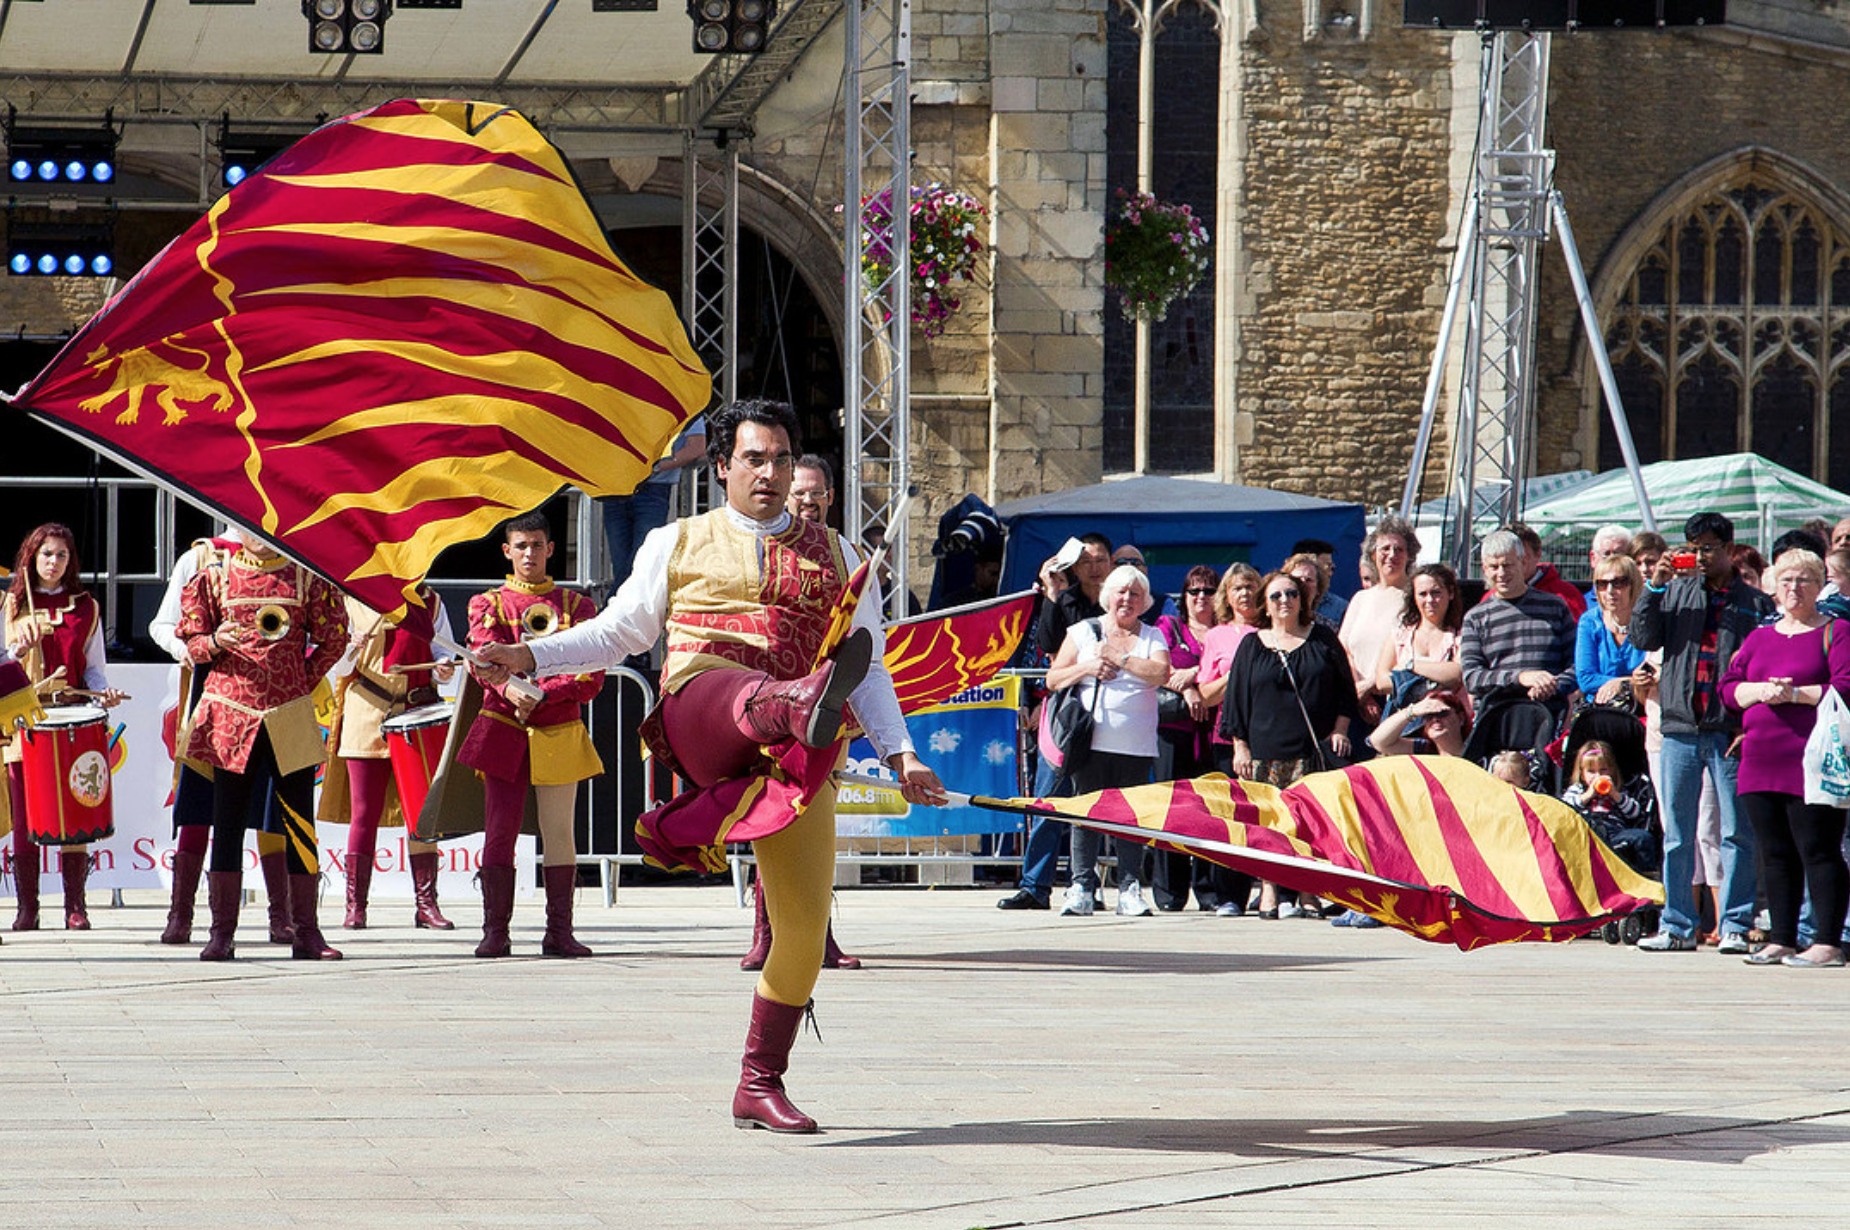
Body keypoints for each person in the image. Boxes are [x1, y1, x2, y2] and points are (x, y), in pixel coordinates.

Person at [474, 400, 944, 1134]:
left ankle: (759, 1083)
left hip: (800, 748)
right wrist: (531, 653)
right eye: (754, 458)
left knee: (801, 931)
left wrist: (902, 755)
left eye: (782, 458)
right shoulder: (676, 539)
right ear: (721, 466)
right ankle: (786, 709)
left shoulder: (843, 555)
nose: (770, 472)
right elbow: (619, 632)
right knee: (755, 693)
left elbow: (872, 667)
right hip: (705, 709)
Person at [176, 528, 348, 961]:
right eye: (251, 529)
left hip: (289, 714)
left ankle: (306, 932)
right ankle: (221, 934)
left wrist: (298, 680)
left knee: (299, 825)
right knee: (227, 822)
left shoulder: (306, 580)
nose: (261, 538)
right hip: (230, 716)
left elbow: (334, 639)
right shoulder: (214, 577)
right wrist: (215, 642)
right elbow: (191, 642)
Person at [459, 513, 604, 959]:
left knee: (559, 831)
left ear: (550, 549)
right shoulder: (486, 603)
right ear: (507, 551)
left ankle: (559, 932)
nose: (529, 554)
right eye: (521, 546)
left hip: (558, 726)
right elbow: (482, 662)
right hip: (505, 727)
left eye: (537, 545)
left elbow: (591, 673)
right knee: (499, 831)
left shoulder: (579, 607)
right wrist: (508, 690)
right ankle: (495, 931)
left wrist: (540, 694)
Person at [1630, 511, 1775, 954]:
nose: (1700, 555)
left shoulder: (1754, 603)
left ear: (1730, 551)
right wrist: (1654, 585)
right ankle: (1677, 926)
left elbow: (1766, 668)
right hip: (1679, 727)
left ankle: (1733, 924)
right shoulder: (1674, 591)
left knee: (1736, 833)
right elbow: (1640, 635)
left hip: (1729, 730)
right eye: (1693, 547)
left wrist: (1750, 727)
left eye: (1709, 547)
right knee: (1678, 833)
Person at [150, 531, 297, 947]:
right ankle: (181, 914)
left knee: (272, 809)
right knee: (199, 804)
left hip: (272, 698)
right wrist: (194, 649)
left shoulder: (288, 560)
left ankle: (281, 916)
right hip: (209, 695)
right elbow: (162, 625)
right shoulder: (201, 558)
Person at [1720, 549, 1850, 967]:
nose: (1795, 589)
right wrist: (1761, 691)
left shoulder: (1837, 632)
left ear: (1820, 586)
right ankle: (1782, 938)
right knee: (1774, 852)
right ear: (1774, 586)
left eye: (1805, 580)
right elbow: (1729, 688)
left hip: (1814, 761)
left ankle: (1827, 941)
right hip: (1761, 759)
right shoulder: (1760, 636)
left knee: (1818, 848)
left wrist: (1793, 693)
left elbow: (1845, 687)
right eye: (1787, 580)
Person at [3, 524, 127, 931]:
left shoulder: (85, 607)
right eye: (46, 555)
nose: (53, 562)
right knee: (26, 817)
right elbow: (3, 662)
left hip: (72, 719)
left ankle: (76, 905)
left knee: (75, 811)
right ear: (31, 558)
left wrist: (102, 694)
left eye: (61, 555)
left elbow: (93, 670)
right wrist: (17, 649)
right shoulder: (10, 605)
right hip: (25, 720)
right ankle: (28, 907)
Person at [318, 586, 458, 931]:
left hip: (417, 709)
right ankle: (356, 906)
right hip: (367, 709)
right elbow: (338, 665)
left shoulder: (430, 601)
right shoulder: (352, 599)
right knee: (363, 812)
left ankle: (426, 906)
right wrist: (354, 646)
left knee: (422, 813)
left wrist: (443, 667)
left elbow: (444, 651)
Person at [1220, 570, 1358, 919]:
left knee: (1308, 824)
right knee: (1269, 823)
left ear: (1303, 599)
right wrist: (1241, 746)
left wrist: (1340, 730)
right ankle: (1268, 889)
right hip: (1264, 752)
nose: (1285, 601)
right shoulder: (1253, 644)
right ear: (1265, 603)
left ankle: (1307, 892)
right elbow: (1236, 699)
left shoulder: (1322, 638)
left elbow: (1346, 691)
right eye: (1277, 595)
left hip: (1310, 751)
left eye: (1292, 594)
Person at [996, 532, 1114, 912]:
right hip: (1067, 711)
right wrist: (1052, 595)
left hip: (1115, 713)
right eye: (1087, 561)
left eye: (1101, 559)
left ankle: (1095, 882)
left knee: (1102, 804)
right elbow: (1047, 643)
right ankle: (1035, 885)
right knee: (1049, 798)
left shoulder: (1124, 603)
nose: (1094, 568)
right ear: (1075, 566)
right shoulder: (1066, 600)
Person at [1045, 564, 1170, 918]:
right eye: (1121, 592)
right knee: (1086, 813)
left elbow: (1161, 673)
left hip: (1136, 745)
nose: (1127, 599)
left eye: (1135, 594)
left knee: (1130, 817)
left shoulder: (1152, 636)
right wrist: (1087, 668)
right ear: (1107, 596)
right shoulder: (1084, 631)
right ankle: (1081, 885)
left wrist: (1120, 658)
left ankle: (1129, 886)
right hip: (1090, 743)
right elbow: (1054, 678)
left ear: (1145, 601)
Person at [1195, 563, 1265, 915]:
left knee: (1268, 816)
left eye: (1251, 586)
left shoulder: (1272, 630)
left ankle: (1275, 893)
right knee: (1232, 817)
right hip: (1228, 739)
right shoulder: (1217, 636)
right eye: (1237, 587)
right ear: (1227, 595)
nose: (1245, 593)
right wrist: (1236, 672)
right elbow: (1206, 694)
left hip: (1271, 736)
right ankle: (1230, 895)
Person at [1150, 565, 1220, 912]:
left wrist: (1192, 675)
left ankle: (1209, 891)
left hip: (1214, 732)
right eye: (1194, 591)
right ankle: (1168, 891)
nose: (1201, 598)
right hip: (1174, 731)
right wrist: (1190, 687)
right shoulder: (1168, 627)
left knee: (1210, 811)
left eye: (1208, 591)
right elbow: (1157, 668)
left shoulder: (1225, 631)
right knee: (1172, 810)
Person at [1459, 530, 1578, 720]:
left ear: (1523, 563)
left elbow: (1575, 665)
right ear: (1484, 568)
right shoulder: (1475, 618)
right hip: (1496, 718)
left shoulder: (1555, 607)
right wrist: (1521, 678)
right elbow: (1472, 678)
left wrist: (1550, 685)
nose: (1501, 573)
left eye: (1507, 565)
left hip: (1548, 715)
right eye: (1494, 566)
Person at [601, 414, 705, 593]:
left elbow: (697, 447)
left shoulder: (682, 396)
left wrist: (655, 466)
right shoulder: (621, 393)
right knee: (624, 565)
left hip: (653, 488)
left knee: (640, 563)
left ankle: (611, 609)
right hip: (618, 487)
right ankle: (617, 610)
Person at [1339, 515, 1418, 725]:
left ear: (1409, 555)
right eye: (1385, 549)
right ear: (1373, 554)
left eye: (1399, 549)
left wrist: (1371, 687)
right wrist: (1362, 692)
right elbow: (1344, 649)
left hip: (1395, 702)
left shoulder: (1415, 598)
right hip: (1356, 701)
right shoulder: (1360, 599)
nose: (1391, 555)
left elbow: (1410, 655)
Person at [1372, 562, 1465, 720]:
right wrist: (1436, 678)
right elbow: (1382, 682)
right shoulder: (1398, 636)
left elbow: (1456, 674)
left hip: (1444, 724)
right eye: (1422, 594)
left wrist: (1410, 666)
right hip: (1403, 725)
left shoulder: (1461, 636)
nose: (1430, 600)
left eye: (1436, 592)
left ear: (1450, 593)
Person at [1576, 553, 1649, 708]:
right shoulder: (1589, 621)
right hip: (1600, 710)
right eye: (1602, 584)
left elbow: (1653, 676)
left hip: (1642, 709)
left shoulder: (1649, 622)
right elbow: (1586, 679)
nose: (1609, 591)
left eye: (1619, 583)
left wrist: (1621, 683)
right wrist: (1629, 681)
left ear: (1634, 585)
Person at [1367, 685, 1469, 758]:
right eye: (1428, 715)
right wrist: (1412, 711)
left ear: (1461, 718)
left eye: (1442, 713)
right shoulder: (1424, 750)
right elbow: (1379, 742)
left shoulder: (1476, 748)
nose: (1435, 719)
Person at [1292, 537, 1348, 626]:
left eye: (1332, 568)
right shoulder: (1281, 601)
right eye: (1327, 567)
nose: (1330, 573)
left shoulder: (1340, 607)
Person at [1284, 551, 1340, 633]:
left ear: (1318, 589)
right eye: (1296, 579)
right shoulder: (1271, 625)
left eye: (1308, 580)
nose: (1302, 584)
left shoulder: (1329, 629)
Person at [1584, 524, 1633, 605]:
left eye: (1618, 554)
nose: (1611, 561)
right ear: (1593, 558)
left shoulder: (1640, 602)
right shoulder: (1582, 605)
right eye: (1606, 554)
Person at [787, 454, 835, 526]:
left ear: (830, 497)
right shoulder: (769, 537)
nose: (808, 501)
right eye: (799, 493)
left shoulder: (837, 538)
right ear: (785, 498)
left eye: (816, 493)